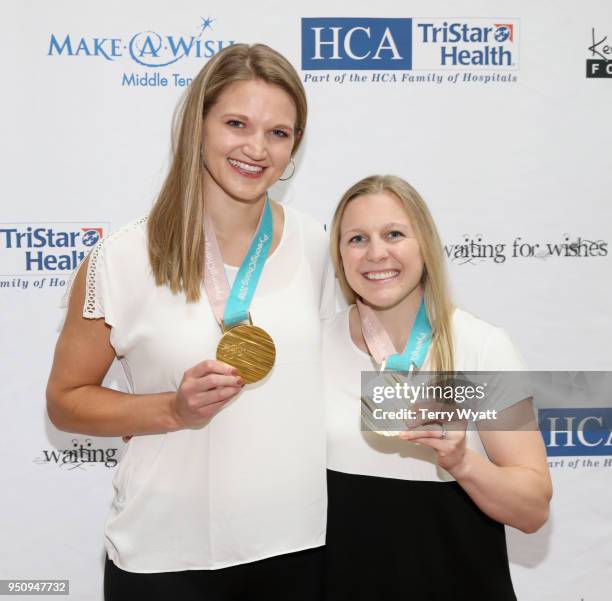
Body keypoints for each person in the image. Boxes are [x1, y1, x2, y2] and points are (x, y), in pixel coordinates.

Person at [46, 43, 333, 601]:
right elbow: (64, 401)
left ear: (295, 144)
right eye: (236, 123)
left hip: (296, 551)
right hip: (166, 559)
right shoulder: (124, 257)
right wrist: (171, 409)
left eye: (279, 132)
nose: (256, 148)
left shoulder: (317, 242)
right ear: (197, 125)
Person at [323, 175, 552, 601]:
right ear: (339, 254)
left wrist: (462, 462)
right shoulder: (311, 348)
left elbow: (533, 509)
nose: (376, 253)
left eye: (394, 234)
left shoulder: (482, 347)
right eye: (357, 238)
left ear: (424, 244)